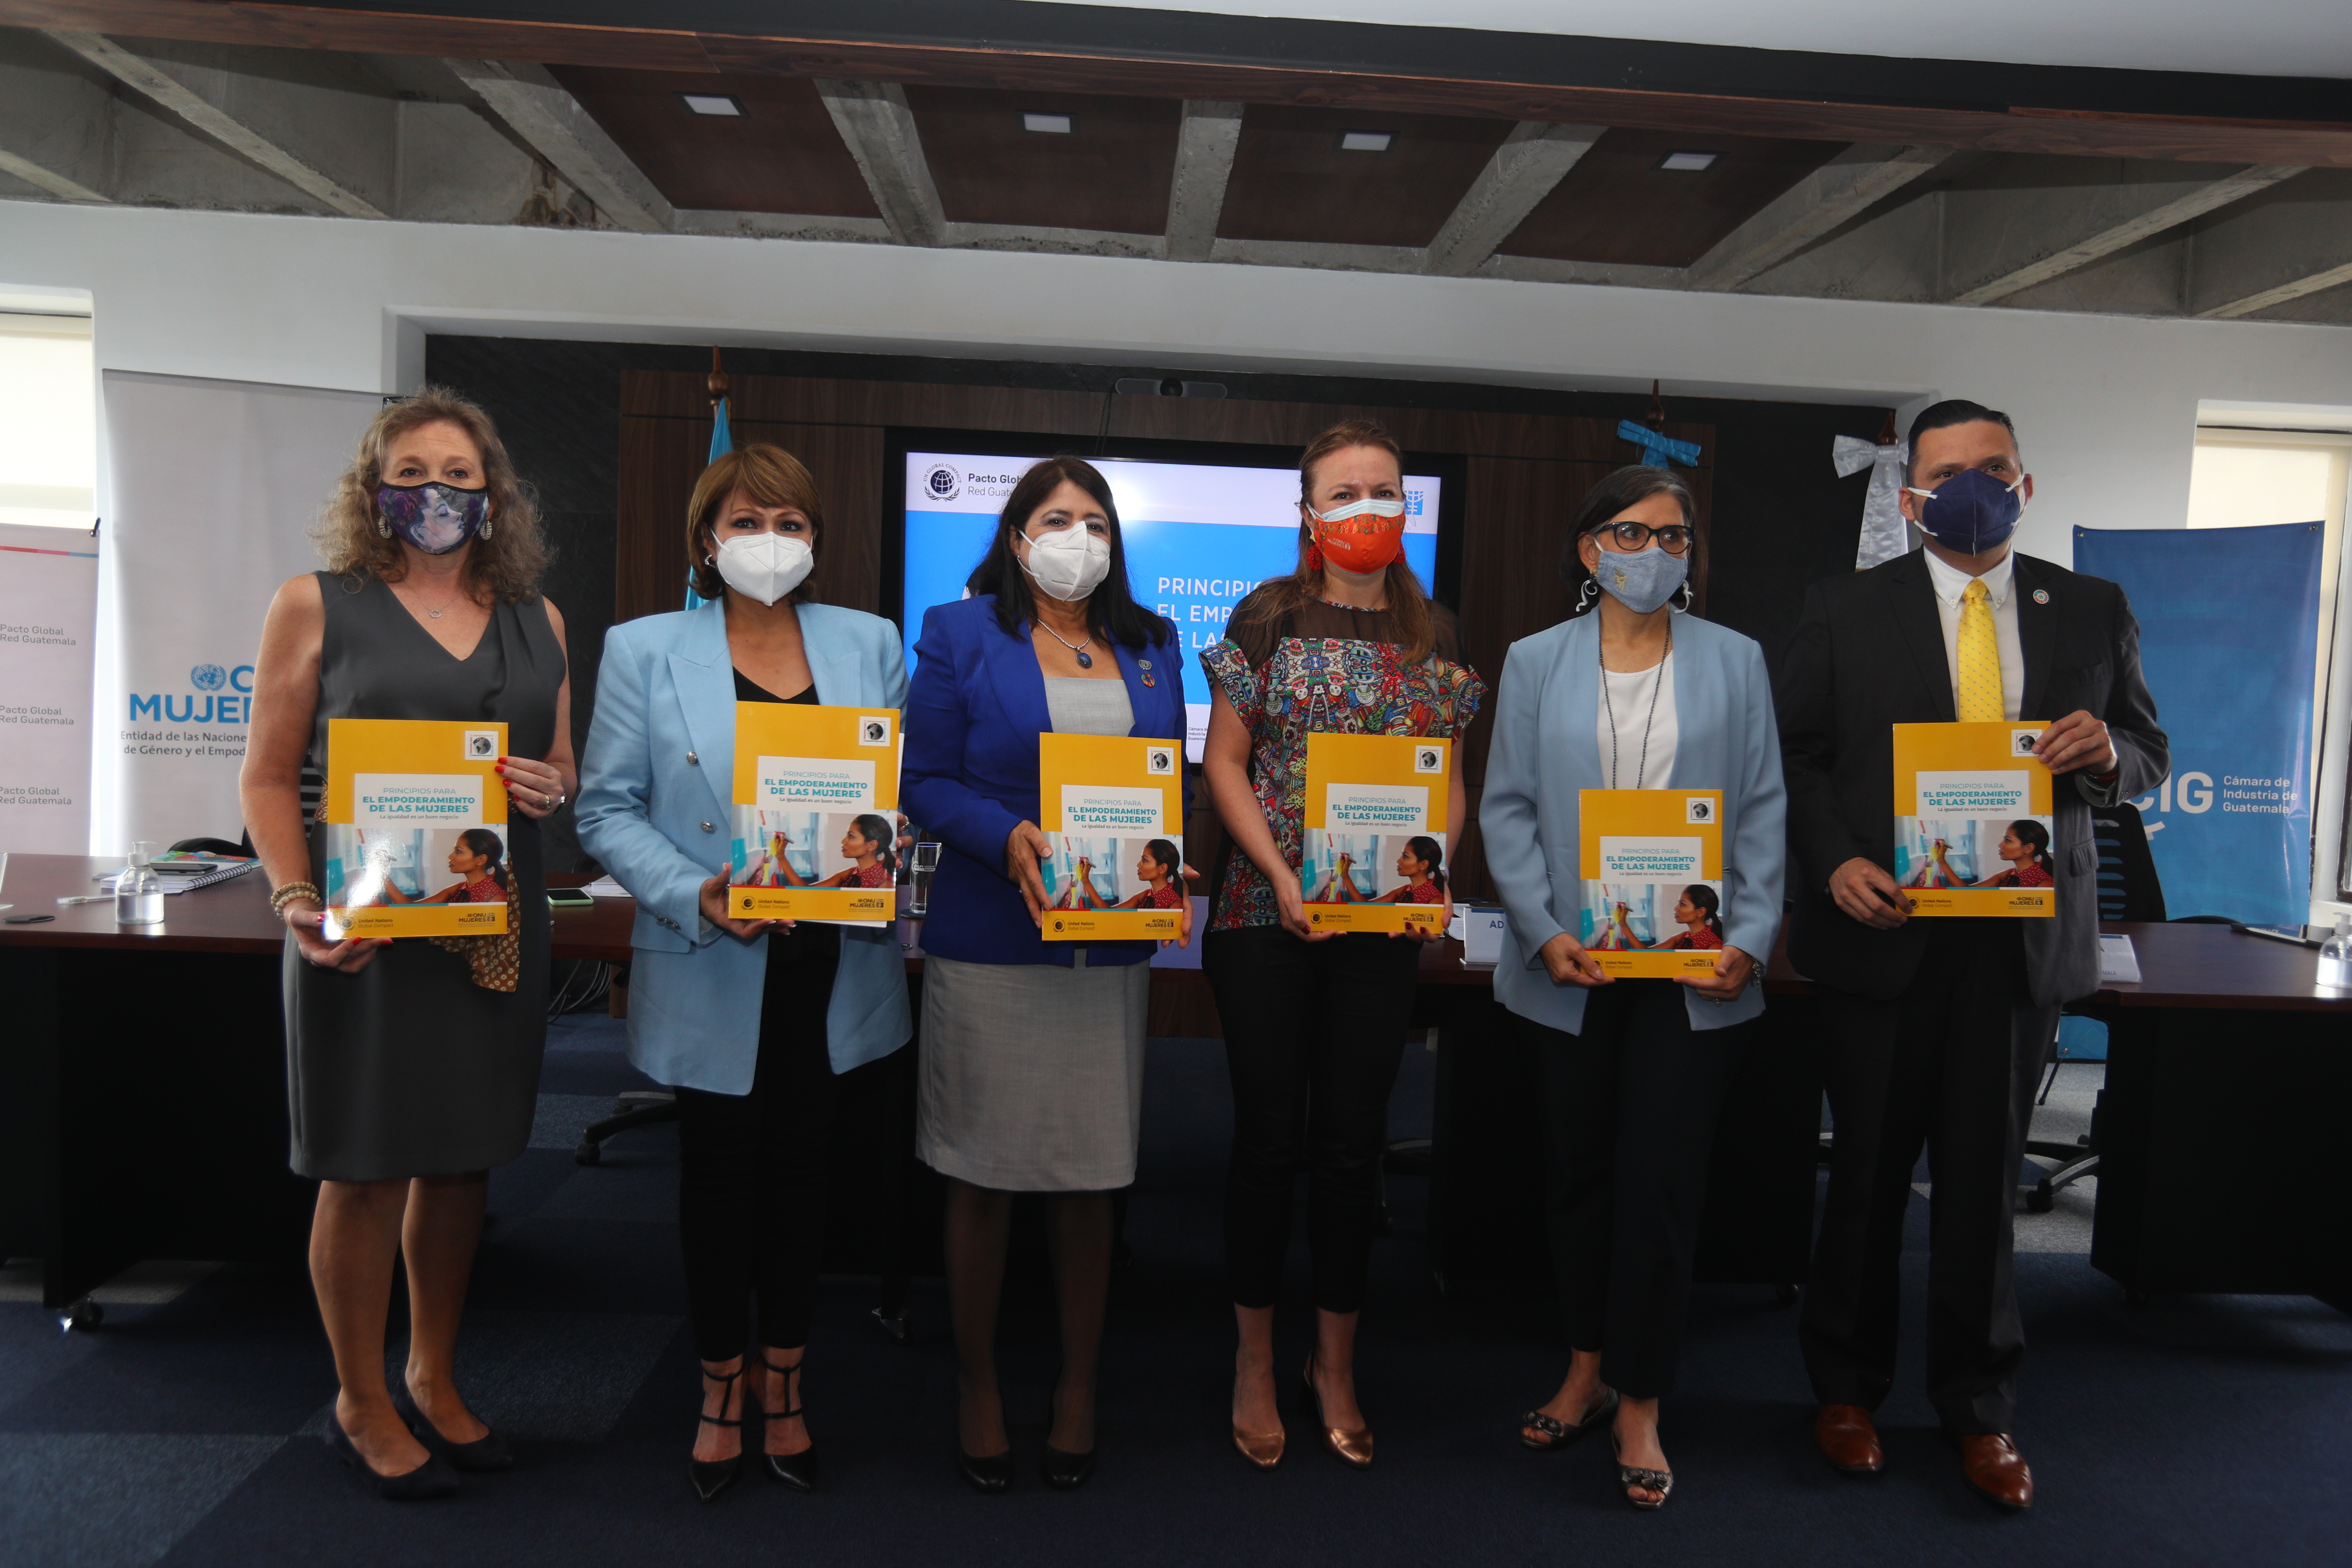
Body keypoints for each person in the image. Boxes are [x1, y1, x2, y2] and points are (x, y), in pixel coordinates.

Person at [1776, 399, 2166, 1511]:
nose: (1971, 488)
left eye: (1992, 467)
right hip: (1882, 935)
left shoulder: (2091, 607)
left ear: (2025, 483)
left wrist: (2106, 759)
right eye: (1946, 474)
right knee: (1865, 1179)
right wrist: (1837, 863)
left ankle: (1979, 1408)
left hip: (2016, 947)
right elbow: (1795, 757)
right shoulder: (1843, 609)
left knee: (1987, 1189)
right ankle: (1846, 1390)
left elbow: (2149, 749)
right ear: (1910, 499)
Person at [240, 387, 572, 1501]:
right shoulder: (317, 603)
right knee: (366, 1164)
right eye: (415, 471)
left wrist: (548, 784)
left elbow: (557, 768)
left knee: (462, 1156)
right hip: (362, 928)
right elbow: (267, 773)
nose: (437, 491)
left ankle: (433, 1375)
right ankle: (359, 1398)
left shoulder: (542, 618)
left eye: (460, 474)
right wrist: (294, 897)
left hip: (488, 922)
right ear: (377, 487)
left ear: (494, 494)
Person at [575, 443, 912, 1502]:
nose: (770, 540)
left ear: (815, 539)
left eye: (791, 522)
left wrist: (885, 847)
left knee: (807, 1181)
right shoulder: (644, 648)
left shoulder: (869, 643)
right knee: (719, 1179)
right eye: (746, 521)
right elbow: (603, 810)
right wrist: (692, 892)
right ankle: (719, 1387)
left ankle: (787, 1383)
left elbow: (893, 794)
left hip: (833, 955)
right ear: (705, 540)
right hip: (712, 948)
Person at [1478, 464, 1785, 1509]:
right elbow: (1506, 811)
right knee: (1575, 1174)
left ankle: (1641, 1397)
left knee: (1657, 1184)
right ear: (1587, 549)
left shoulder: (1736, 661)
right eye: (1628, 532)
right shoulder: (1532, 662)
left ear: (1688, 555)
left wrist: (1746, 934)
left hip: (1691, 972)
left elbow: (1760, 811)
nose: (1649, 552)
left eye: (1670, 536)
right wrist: (1541, 929)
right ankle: (1581, 1366)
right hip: (1570, 963)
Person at [1198, 420, 1484, 1472]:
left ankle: (1335, 1362)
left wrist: (1426, 870)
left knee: (1350, 1148)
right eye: (1346, 491)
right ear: (1310, 513)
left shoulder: (1434, 634)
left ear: (1405, 508)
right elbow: (1225, 762)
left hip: (1375, 927)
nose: (1368, 506)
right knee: (1267, 1142)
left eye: (1385, 490)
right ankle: (1253, 1358)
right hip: (1261, 919)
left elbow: (1444, 783)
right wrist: (1277, 876)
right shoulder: (1266, 617)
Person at [900, 455, 1189, 1494]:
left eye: (1096, 521)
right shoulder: (957, 630)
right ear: (1017, 536)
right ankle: (977, 1383)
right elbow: (921, 780)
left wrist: (1165, 856)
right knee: (979, 1172)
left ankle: (1077, 1385)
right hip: (994, 936)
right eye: (1056, 518)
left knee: (1088, 1179)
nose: (1078, 536)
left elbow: (1162, 781)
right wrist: (1006, 832)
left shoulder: (1154, 643)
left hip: (1107, 946)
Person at [373, 828, 508, 905]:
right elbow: (410, 908)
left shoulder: (496, 898)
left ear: (481, 860)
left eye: (459, 852)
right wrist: (382, 874)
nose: (451, 856)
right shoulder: (458, 889)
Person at [1972, 821, 2054, 888]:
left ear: (2028, 848)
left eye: (2008, 841)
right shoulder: (2007, 875)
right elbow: (1967, 891)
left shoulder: (2044, 884)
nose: (2000, 845)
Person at [1368, 836, 1448, 905]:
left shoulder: (1435, 900)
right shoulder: (1404, 891)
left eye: (1406, 857)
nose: (1399, 861)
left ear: (1423, 865)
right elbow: (1366, 906)